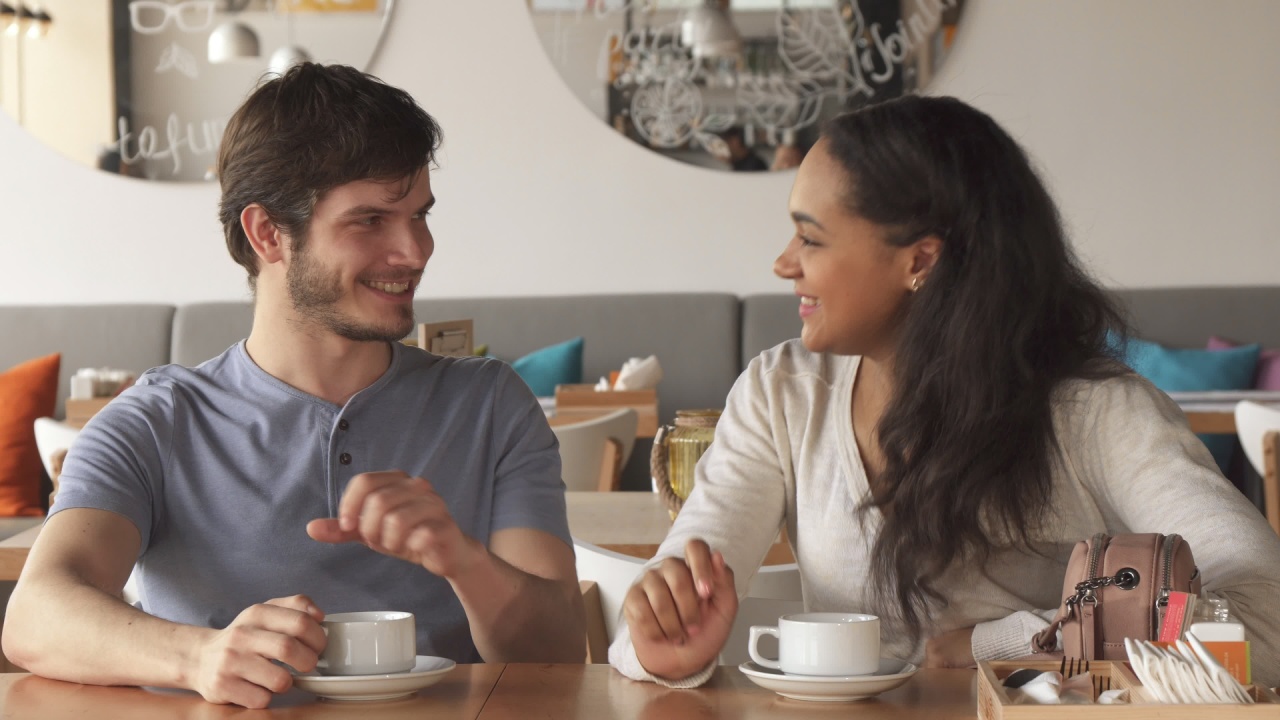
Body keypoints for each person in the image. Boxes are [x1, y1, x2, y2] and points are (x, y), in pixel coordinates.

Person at [609, 94, 1280, 687]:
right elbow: (649, 625)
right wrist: (662, 640)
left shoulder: (1094, 411)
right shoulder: (779, 395)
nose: (784, 263)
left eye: (810, 237)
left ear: (919, 261)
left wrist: (1008, 644)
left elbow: (1265, 611)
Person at [3, 63, 585, 708]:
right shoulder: (155, 422)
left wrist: (464, 560)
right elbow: (35, 615)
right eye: (370, 220)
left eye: (420, 214)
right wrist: (200, 655)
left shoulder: (491, 403)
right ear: (266, 233)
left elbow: (559, 656)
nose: (416, 250)